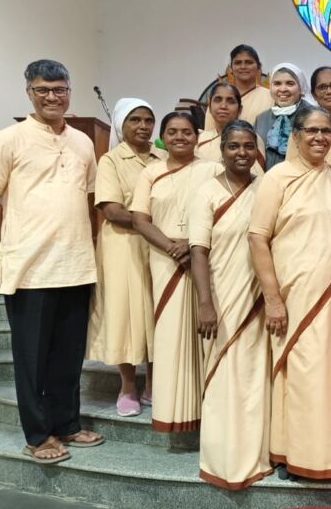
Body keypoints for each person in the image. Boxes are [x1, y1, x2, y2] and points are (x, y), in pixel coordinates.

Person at [0, 59, 104, 464]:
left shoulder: (82, 142)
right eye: (43, 90)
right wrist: (14, 238)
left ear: (69, 92)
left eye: (59, 89)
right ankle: (37, 435)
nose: (52, 97)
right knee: (32, 359)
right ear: (28, 92)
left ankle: (67, 423)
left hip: (75, 265)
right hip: (30, 269)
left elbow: (89, 199)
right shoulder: (6, 139)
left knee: (68, 355)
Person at [248, 107, 331, 479]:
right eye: (312, 131)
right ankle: (295, 452)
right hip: (295, 294)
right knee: (301, 371)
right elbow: (257, 237)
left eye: (326, 131)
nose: (320, 137)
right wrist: (273, 299)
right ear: (296, 135)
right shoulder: (277, 178)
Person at [189, 122, 271, 489]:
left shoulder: (266, 188)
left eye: (248, 146)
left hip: (261, 294)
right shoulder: (206, 192)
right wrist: (205, 303)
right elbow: (198, 251)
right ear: (221, 150)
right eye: (234, 146)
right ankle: (223, 458)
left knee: (256, 376)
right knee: (225, 375)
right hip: (222, 295)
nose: (242, 153)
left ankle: (258, 454)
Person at [131, 112, 224, 433]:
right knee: (171, 335)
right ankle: (175, 413)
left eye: (186, 132)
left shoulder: (213, 169)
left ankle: (211, 412)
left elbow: (224, 213)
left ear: (197, 137)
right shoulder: (150, 173)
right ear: (162, 137)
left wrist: (193, 244)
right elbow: (140, 219)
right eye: (172, 132)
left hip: (205, 257)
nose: (180, 137)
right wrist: (173, 246)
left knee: (207, 333)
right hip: (164, 259)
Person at [86, 98, 165, 418]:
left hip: (159, 246)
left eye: (148, 120)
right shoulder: (111, 161)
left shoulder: (163, 157)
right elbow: (112, 210)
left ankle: (154, 384)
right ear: (121, 125)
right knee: (125, 314)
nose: (143, 126)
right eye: (135, 120)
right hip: (124, 246)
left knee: (158, 312)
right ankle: (128, 386)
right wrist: (152, 223)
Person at [254, 63, 313, 170]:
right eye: (277, 84)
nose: (283, 89)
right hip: (267, 177)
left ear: (300, 87)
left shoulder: (313, 116)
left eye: (290, 84)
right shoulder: (262, 118)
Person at [197, 83, 265, 174]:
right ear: (209, 107)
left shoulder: (251, 138)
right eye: (218, 100)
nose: (223, 106)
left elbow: (256, 177)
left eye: (230, 101)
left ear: (240, 109)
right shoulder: (199, 139)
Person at [203, 44, 273, 132]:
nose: (243, 67)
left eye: (249, 62)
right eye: (238, 63)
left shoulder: (270, 97)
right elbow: (210, 134)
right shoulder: (219, 98)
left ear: (258, 67)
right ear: (231, 68)